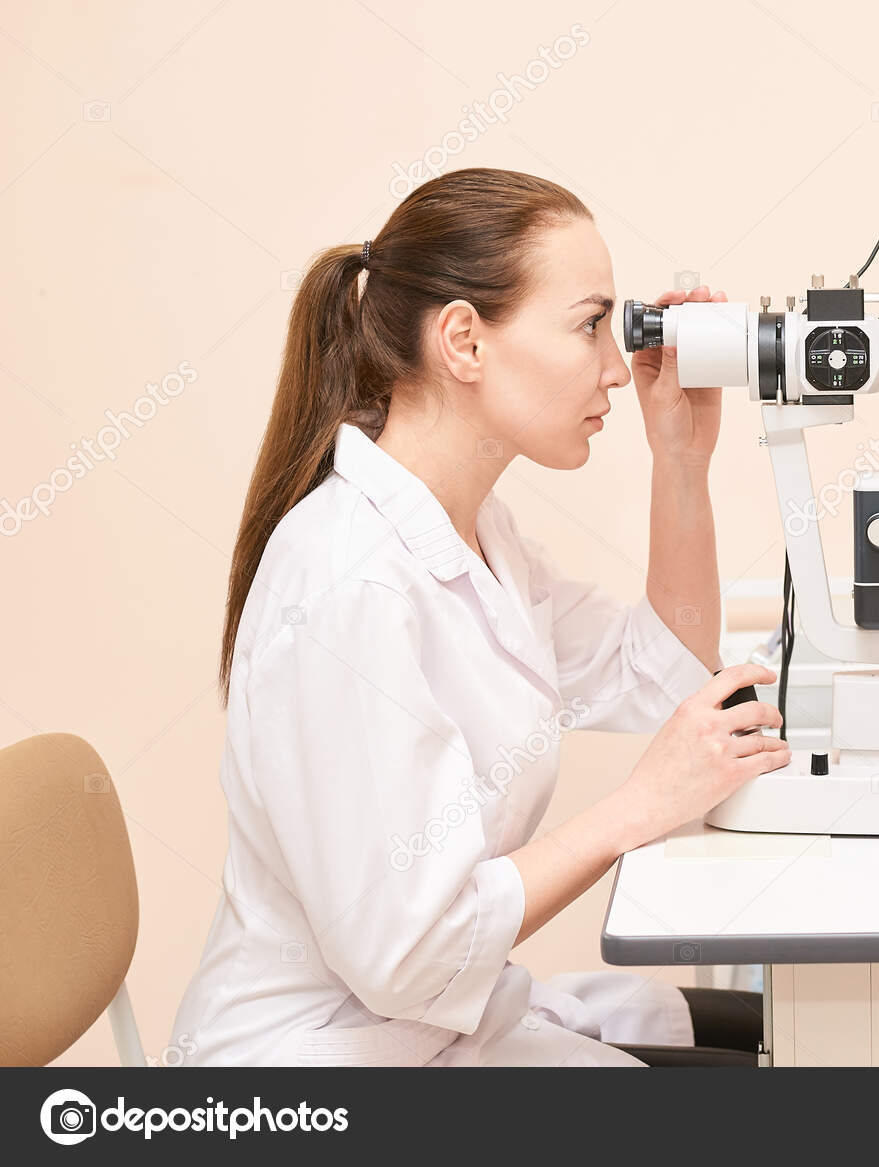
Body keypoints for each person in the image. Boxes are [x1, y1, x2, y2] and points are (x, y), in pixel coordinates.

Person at [170, 168, 786, 1066]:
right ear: (464, 340)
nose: (617, 367)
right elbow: (410, 956)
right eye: (589, 325)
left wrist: (681, 461)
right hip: (321, 1067)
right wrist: (637, 807)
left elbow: (658, 676)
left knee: (773, 1038)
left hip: (440, 1027)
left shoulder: (477, 534)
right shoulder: (350, 587)